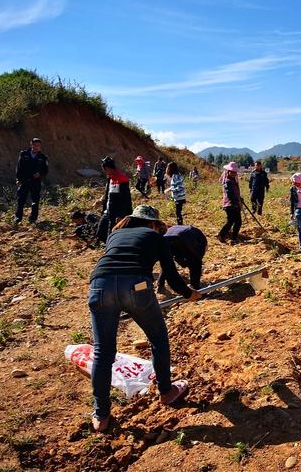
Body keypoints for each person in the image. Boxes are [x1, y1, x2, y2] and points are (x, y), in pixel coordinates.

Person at [87, 205, 201, 432]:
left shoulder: (115, 234)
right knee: (158, 339)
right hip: (136, 286)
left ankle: (101, 415)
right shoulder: (155, 236)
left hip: (99, 286)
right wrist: (190, 293)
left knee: (102, 352)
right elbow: (170, 275)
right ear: (152, 223)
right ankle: (167, 391)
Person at [157, 224, 207, 292]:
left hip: (166, 238)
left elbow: (178, 255)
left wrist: (183, 262)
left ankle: (160, 285)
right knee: (196, 263)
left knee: (166, 262)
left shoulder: (174, 228)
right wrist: (192, 263)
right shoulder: (203, 241)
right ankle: (195, 287)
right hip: (183, 237)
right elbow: (197, 256)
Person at [97, 157, 133, 243]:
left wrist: (121, 215)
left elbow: (125, 198)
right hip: (109, 210)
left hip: (117, 212)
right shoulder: (110, 178)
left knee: (112, 234)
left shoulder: (121, 179)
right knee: (101, 232)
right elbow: (108, 193)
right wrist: (102, 200)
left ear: (109, 168)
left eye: (105, 169)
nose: (104, 171)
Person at [14, 137, 49, 224]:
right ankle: (18, 218)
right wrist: (18, 179)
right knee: (21, 200)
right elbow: (19, 168)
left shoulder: (43, 157)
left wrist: (39, 174)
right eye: (34, 145)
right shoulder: (24, 154)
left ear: (40, 146)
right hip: (24, 180)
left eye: (38, 145)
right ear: (31, 144)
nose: (36, 147)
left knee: (35, 201)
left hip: (35, 182)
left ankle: (33, 218)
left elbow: (46, 170)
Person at [218, 162, 242, 244]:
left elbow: (236, 193)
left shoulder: (233, 180)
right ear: (228, 171)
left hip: (234, 204)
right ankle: (222, 235)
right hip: (230, 204)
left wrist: (240, 199)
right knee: (232, 221)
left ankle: (233, 237)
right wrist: (237, 202)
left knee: (237, 221)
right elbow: (230, 195)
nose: (233, 173)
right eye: (232, 172)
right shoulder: (227, 182)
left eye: (235, 172)